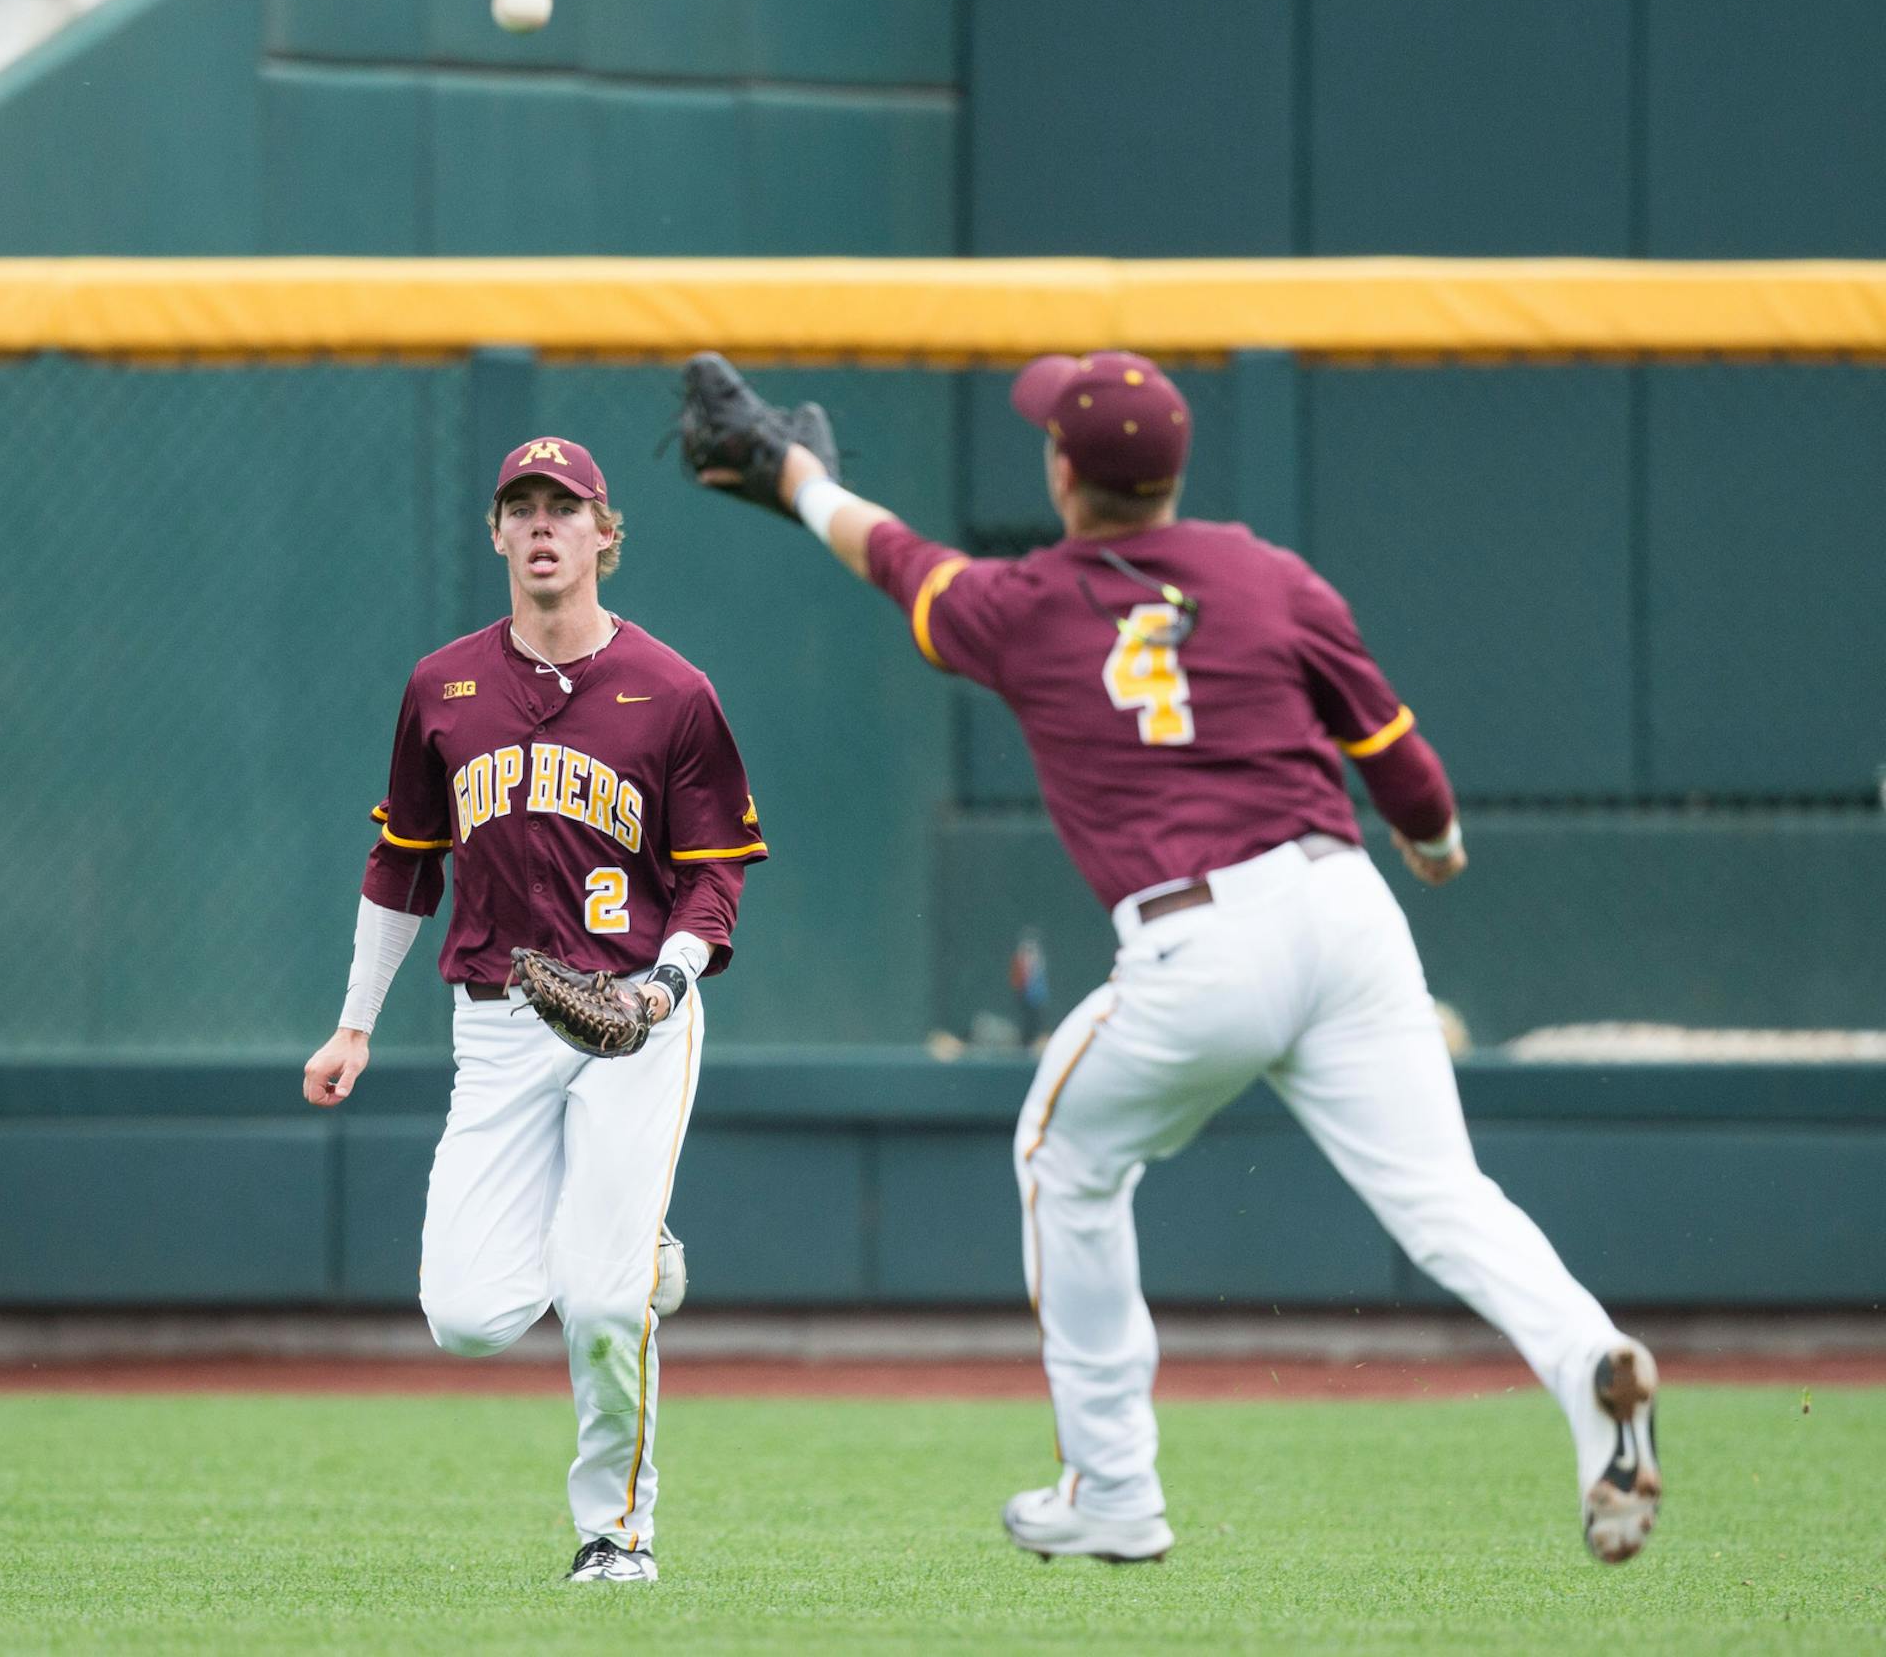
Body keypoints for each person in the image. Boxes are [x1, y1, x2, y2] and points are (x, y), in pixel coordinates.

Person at [688, 352, 1661, 1566]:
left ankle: (1114, 1488)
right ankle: (1591, 1367)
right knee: (1446, 1198)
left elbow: (893, 555)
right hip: (1345, 904)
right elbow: (1398, 758)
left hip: (1202, 936)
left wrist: (795, 479)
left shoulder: (1027, 602)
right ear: (1173, 474)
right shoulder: (1268, 573)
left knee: (1062, 1150)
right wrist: (1439, 841)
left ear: (1063, 472)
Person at [303, 434, 769, 1584]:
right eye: (523, 504)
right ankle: (628, 1236)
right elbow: (404, 861)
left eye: (567, 504)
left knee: (605, 1301)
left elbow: (716, 873)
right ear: (499, 533)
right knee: (465, 1313)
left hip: (634, 1013)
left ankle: (617, 1531)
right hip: (502, 1019)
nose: (544, 522)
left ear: (607, 533)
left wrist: (667, 981)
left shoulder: (676, 692)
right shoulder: (441, 685)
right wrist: (355, 1019)